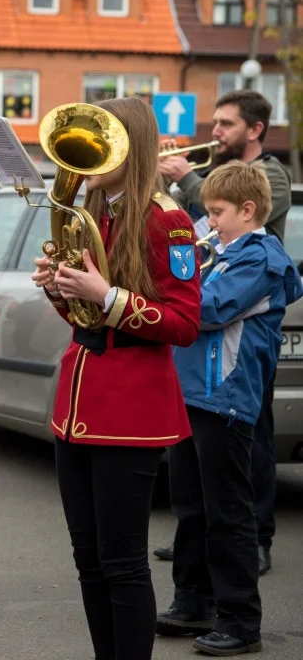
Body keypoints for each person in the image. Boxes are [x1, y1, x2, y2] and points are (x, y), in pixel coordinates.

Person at [30, 97, 201, 660]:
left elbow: (183, 322)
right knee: (88, 561)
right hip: (77, 404)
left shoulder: (167, 220)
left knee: (124, 564)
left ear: (135, 147)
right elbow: (85, 321)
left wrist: (104, 296)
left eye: (108, 143)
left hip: (131, 411)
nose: (93, 158)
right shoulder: (96, 211)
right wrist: (62, 289)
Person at [155, 162, 301, 656]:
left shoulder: (261, 257)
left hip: (226, 397)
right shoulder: (217, 249)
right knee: (191, 507)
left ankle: (241, 621)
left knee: (228, 512)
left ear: (248, 210)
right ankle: (193, 600)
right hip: (190, 392)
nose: (209, 221)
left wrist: (170, 282)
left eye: (216, 213)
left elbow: (204, 310)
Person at [158, 89, 292, 574]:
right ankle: (195, 583)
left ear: (254, 129)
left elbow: (205, 306)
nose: (214, 133)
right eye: (214, 124)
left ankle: (254, 541)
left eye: (226, 125)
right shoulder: (219, 204)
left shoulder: (270, 175)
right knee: (195, 495)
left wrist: (191, 180)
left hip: (230, 379)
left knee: (239, 472)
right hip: (198, 383)